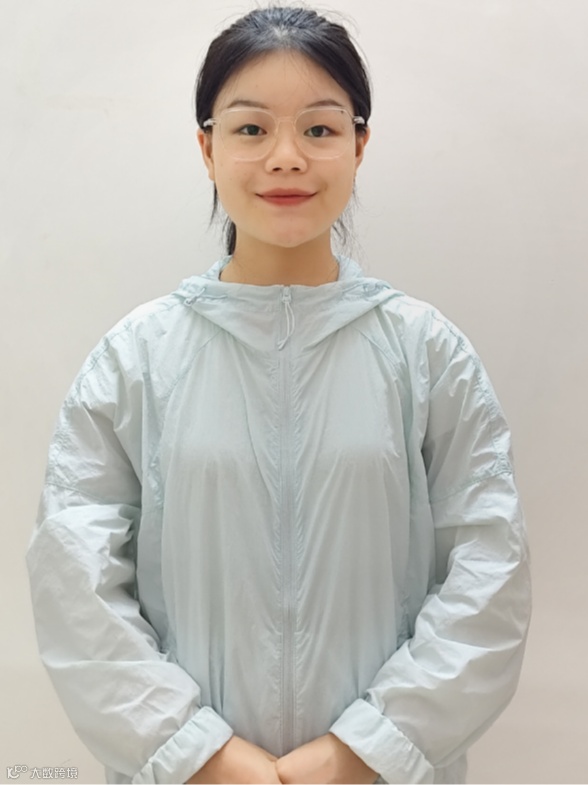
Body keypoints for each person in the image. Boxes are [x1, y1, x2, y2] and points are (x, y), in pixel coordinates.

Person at [26, 5, 531, 784]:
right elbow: (76, 583)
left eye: (320, 129)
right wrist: (196, 753)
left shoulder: (429, 355)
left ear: (360, 144)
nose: (286, 158)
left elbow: (488, 572)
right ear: (208, 147)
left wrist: (365, 749)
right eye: (251, 128)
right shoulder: (135, 361)